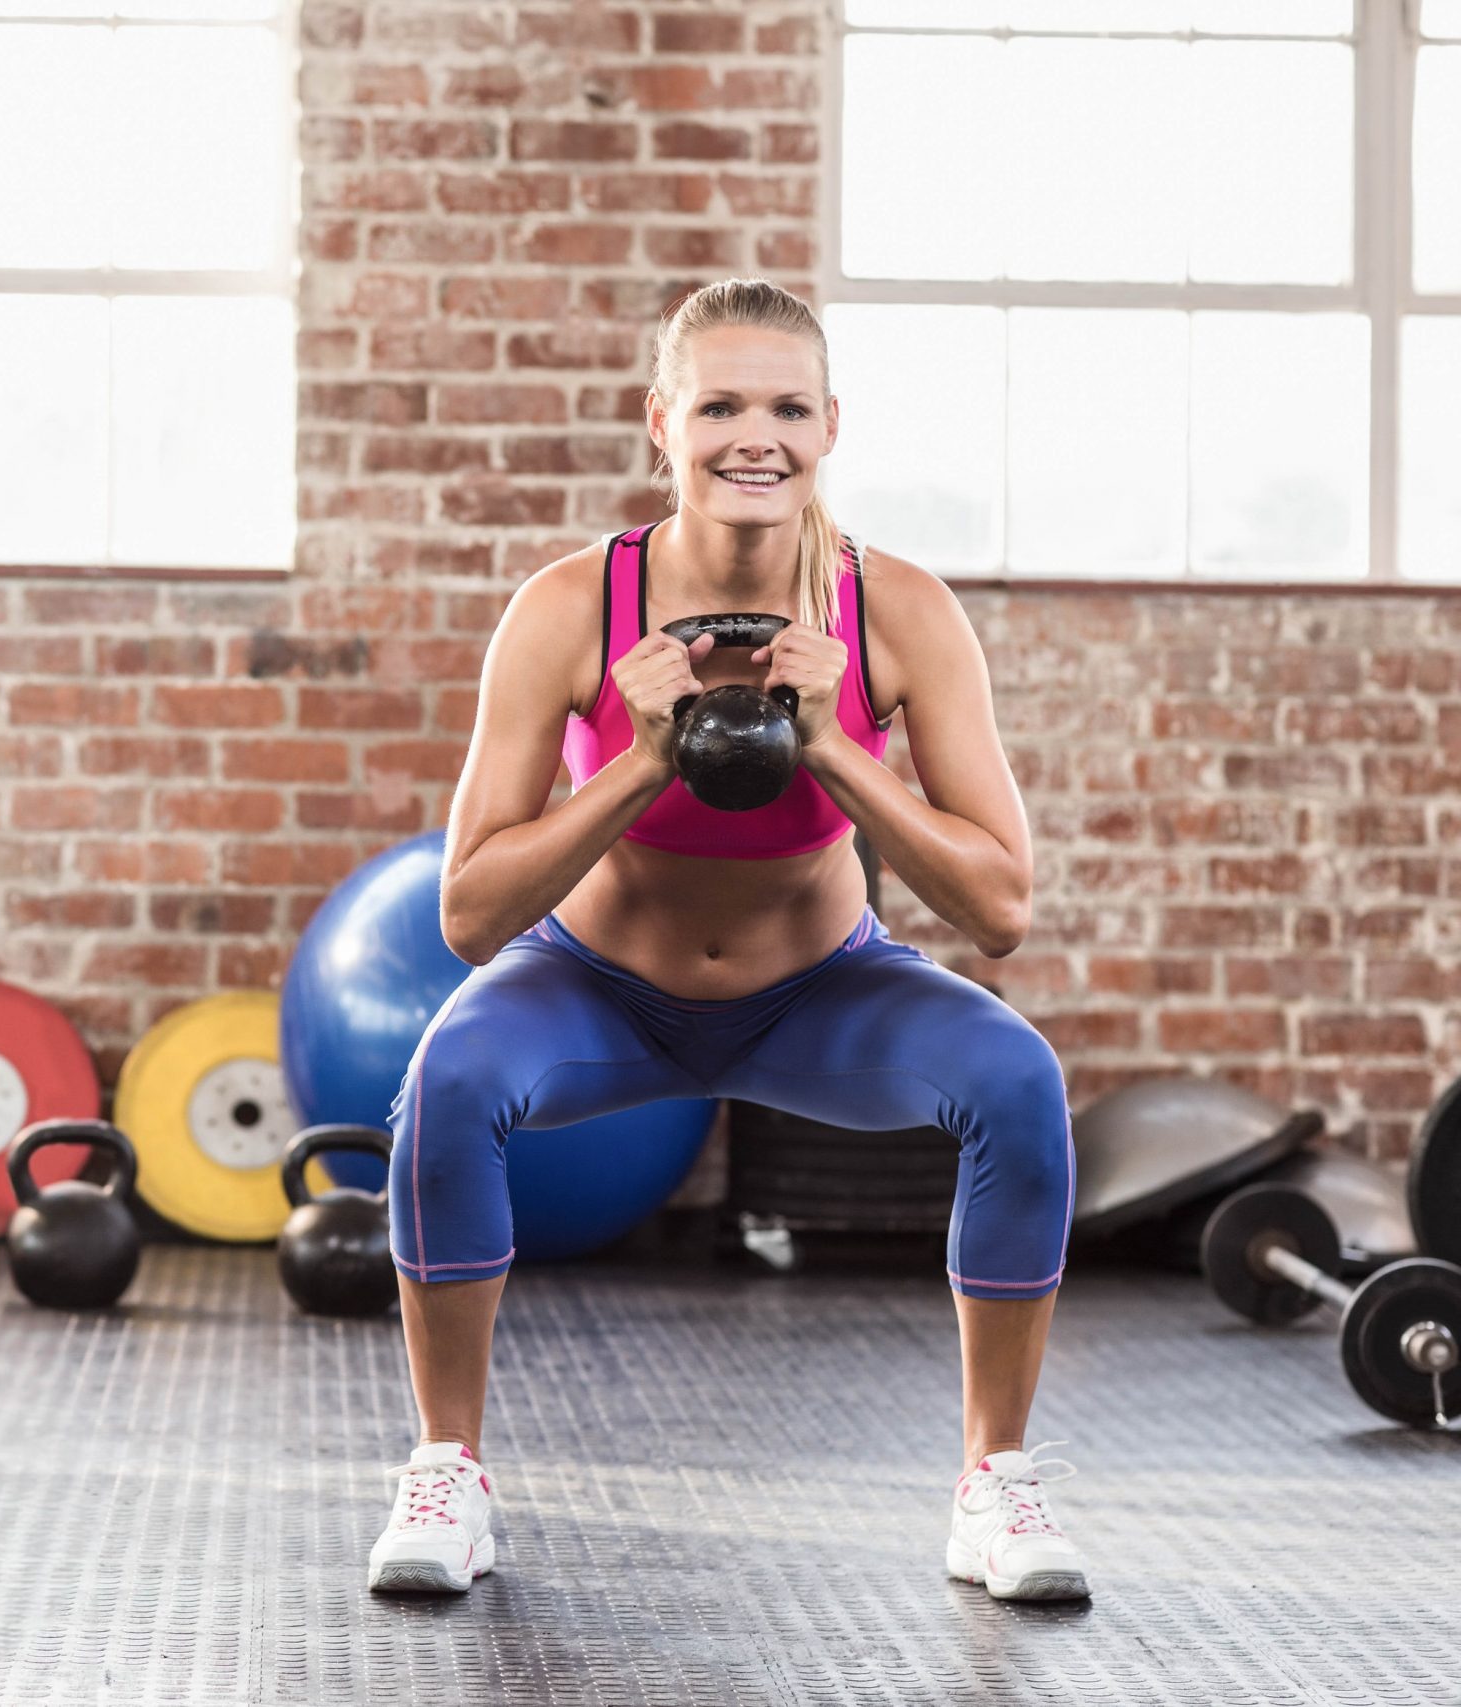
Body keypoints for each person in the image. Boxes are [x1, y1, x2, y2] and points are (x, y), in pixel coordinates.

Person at [365, 279, 1086, 1604]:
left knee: (1019, 1080)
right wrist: (637, 766)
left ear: (830, 429)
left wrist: (834, 750)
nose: (754, 435)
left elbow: (1001, 909)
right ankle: (446, 1470)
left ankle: (996, 1484)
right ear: (662, 423)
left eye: (787, 407)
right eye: (720, 405)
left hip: (822, 995)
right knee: (446, 1086)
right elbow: (470, 915)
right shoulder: (570, 609)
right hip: (596, 993)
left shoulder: (901, 615)